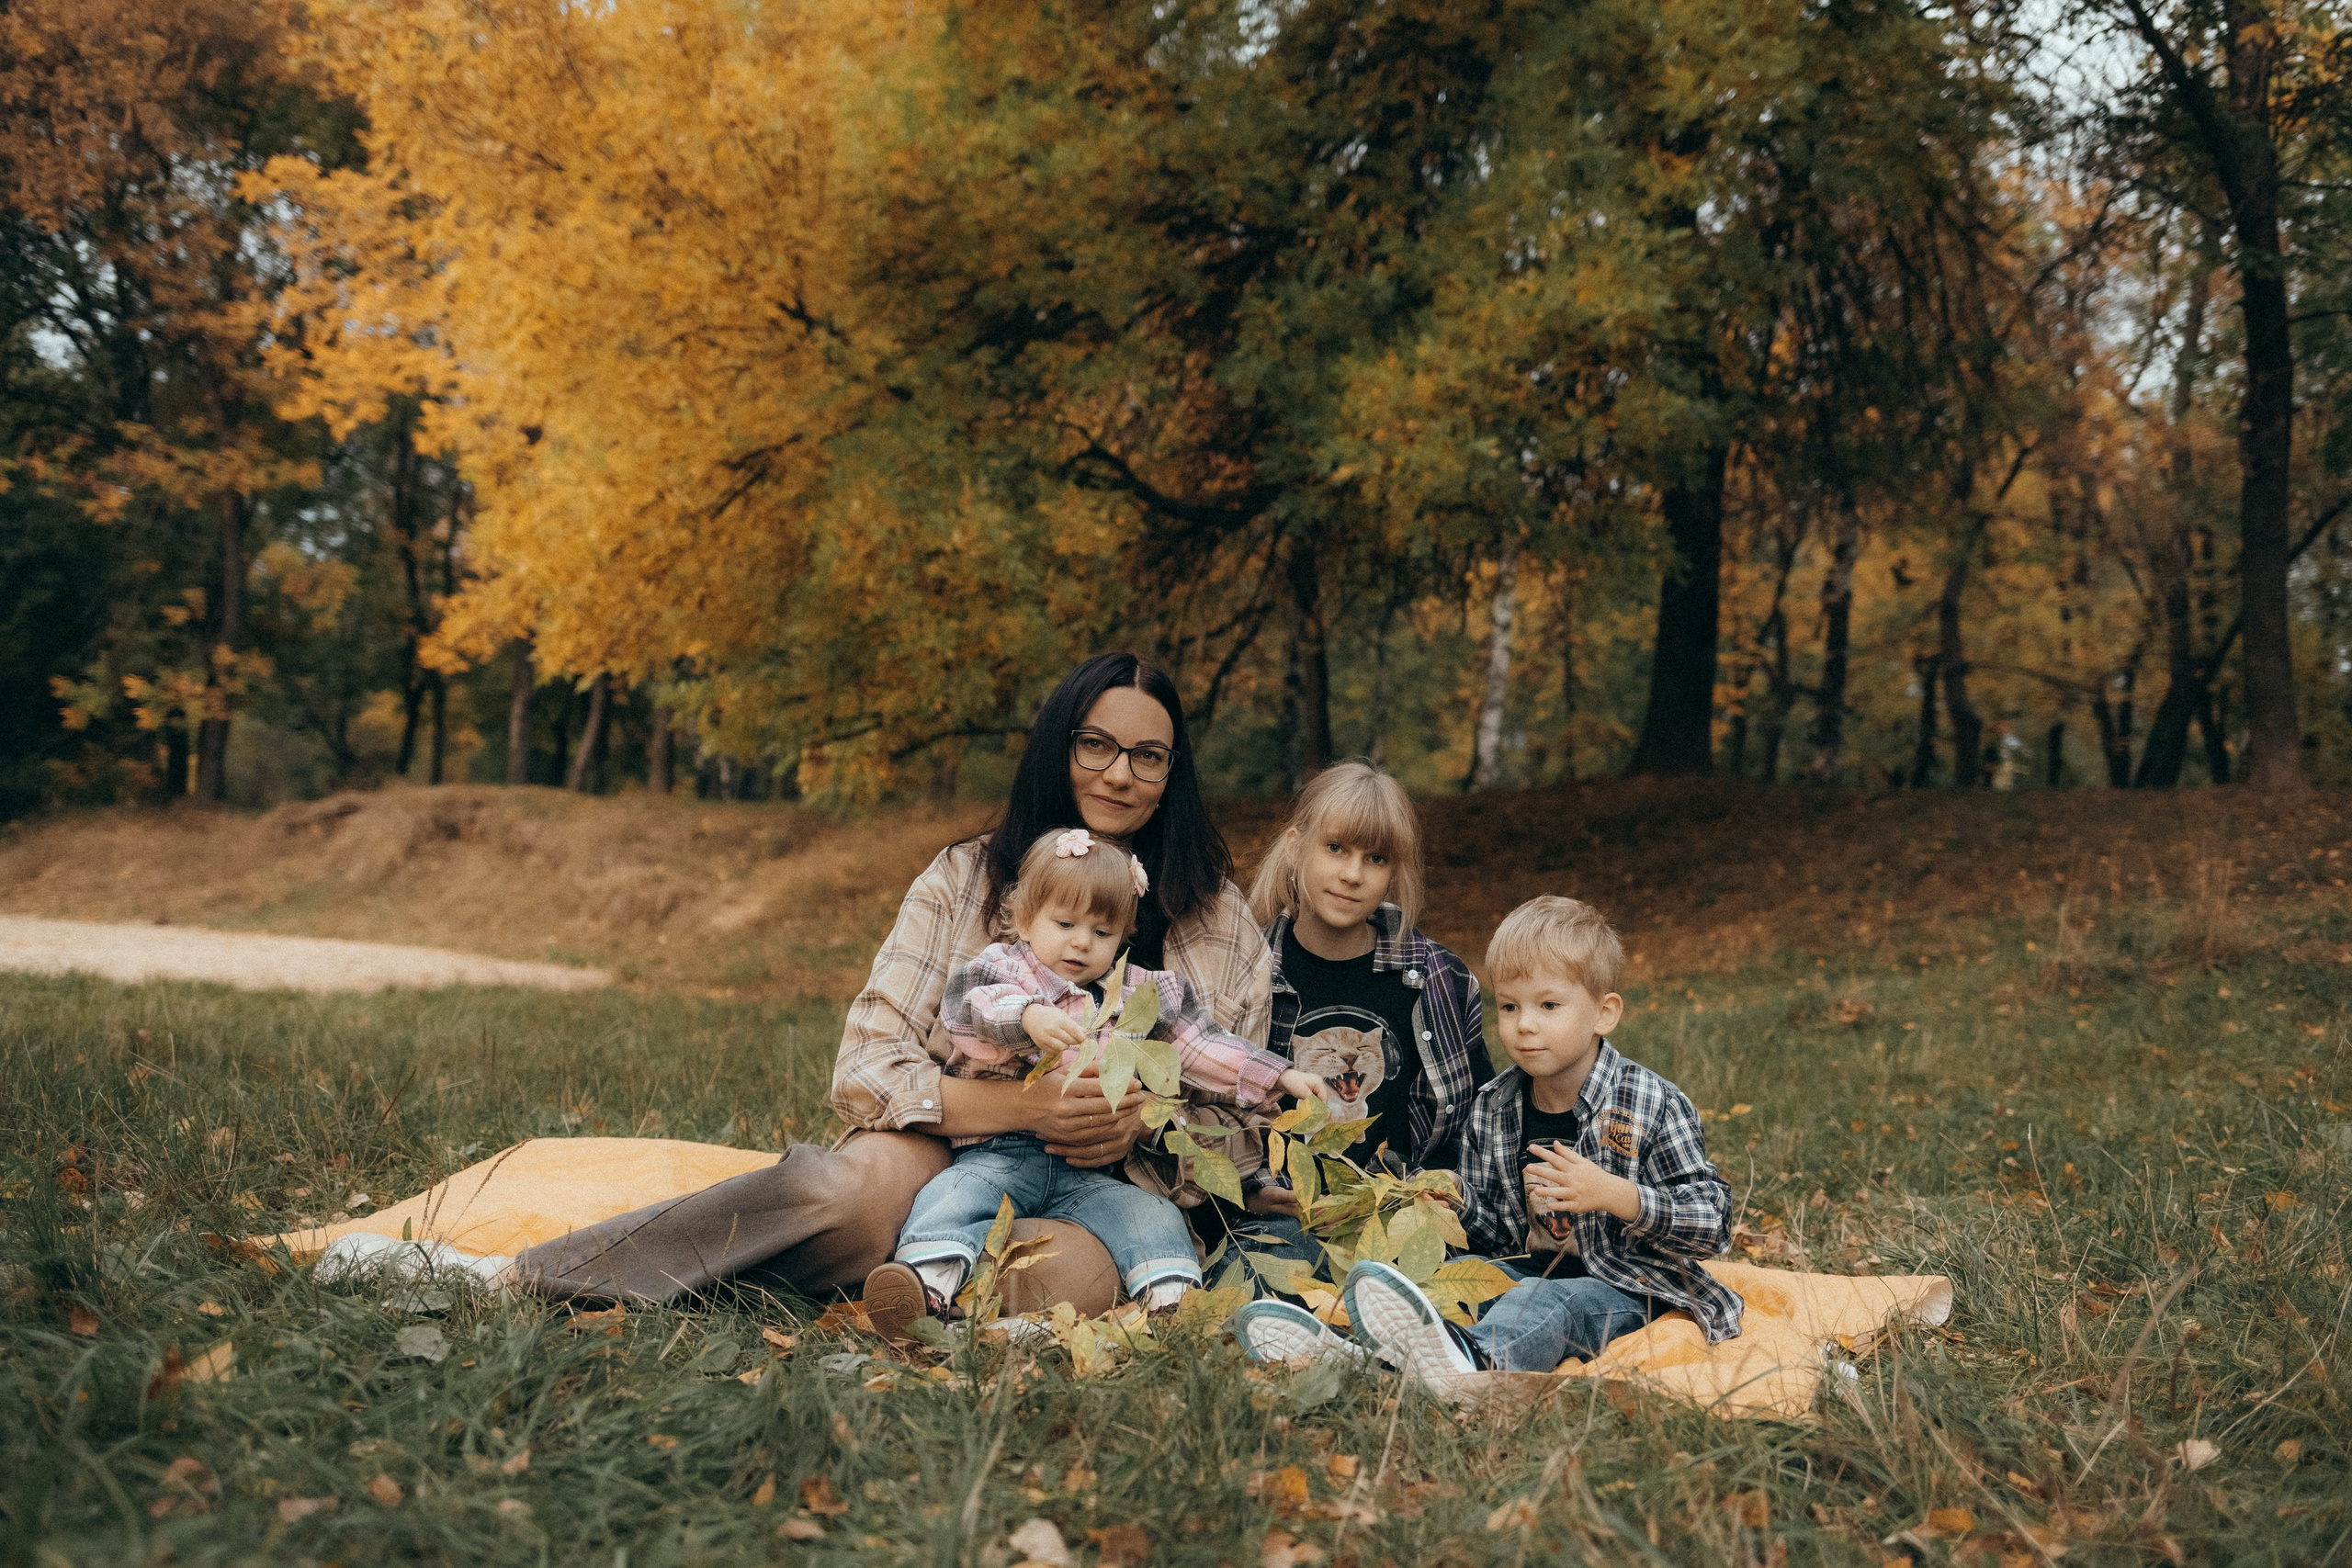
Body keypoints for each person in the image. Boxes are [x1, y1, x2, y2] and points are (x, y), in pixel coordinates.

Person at [509, 653, 1272, 1314]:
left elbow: (1243, 1131)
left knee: (1053, 1273)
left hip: (1109, 1186)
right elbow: (867, 1065)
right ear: (1057, 746)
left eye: (1148, 755)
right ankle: (560, 1274)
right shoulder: (964, 879)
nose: (1119, 772)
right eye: (1096, 744)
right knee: (848, 1202)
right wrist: (1023, 1106)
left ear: (1174, 772)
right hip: (949, 1140)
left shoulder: (1218, 921)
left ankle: (911, 1287)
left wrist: (1141, 1123)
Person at [1238, 895, 1742, 1378]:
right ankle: (1365, 1358)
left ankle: (1475, 1363)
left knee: (1547, 1300)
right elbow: (1502, 1236)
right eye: (1508, 1007)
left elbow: (1714, 1222)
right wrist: (1457, 1202)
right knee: (1455, 1279)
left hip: (1629, 1290)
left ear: (1604, 1013)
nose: (1525, 1026)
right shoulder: (1494, 1108)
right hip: (1524, 1276)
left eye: (1548, 1005)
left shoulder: (1650, 1104)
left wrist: (1618, 1195)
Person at [863, 829, 1322, 1336]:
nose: (1081, 942)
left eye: (1102, 933)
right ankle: (927, 1283)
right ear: (1025, 918)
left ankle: (1172, 1301)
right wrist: (1028, 1017)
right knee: (955, 1196)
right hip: (1000, 1154)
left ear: (1124, 935)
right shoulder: (1001, 970)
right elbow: (969, 1012)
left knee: (1149, 1215)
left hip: (1096, 1170)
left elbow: (1201, 1047)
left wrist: (1280, 1074)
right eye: (1064, 923)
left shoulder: (1141, 994)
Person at [1218, 762, 1490, 1304]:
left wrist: (1445, 1191)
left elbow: (1483, 1117)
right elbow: (1206, 1105)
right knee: (1259, 1284)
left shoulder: (1439, 979)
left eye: (1376, 858)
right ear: (1296, 847)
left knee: (1486, 1293)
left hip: (1407, 1223)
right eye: (1336, 848)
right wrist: (1246, 1191)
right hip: (1286, 1224)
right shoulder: (1245, 975)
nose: (1352, 874)